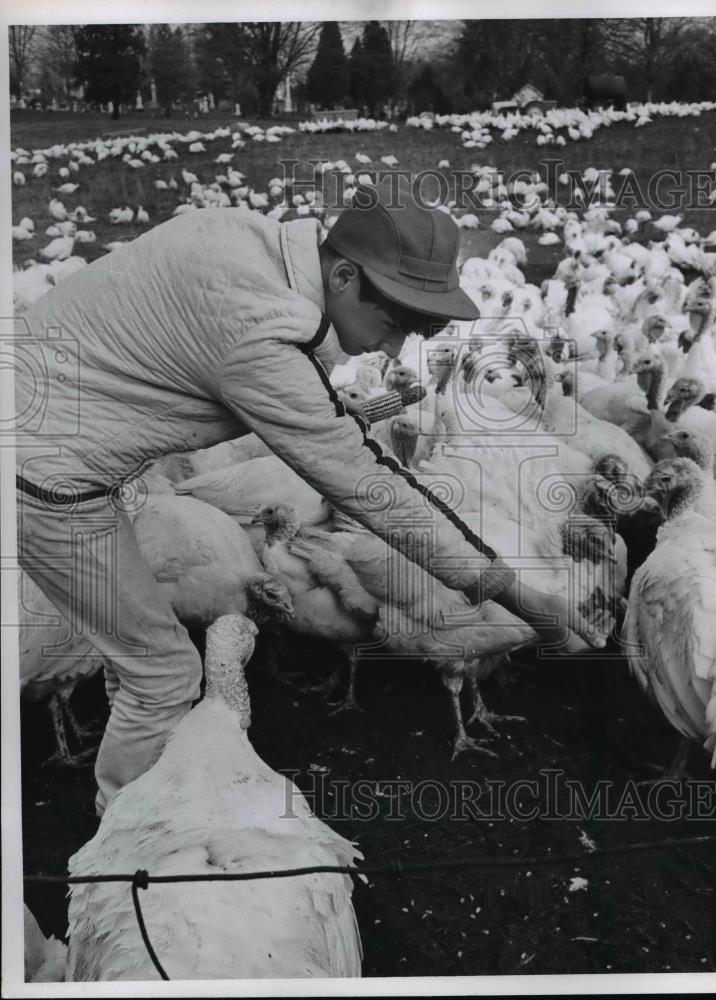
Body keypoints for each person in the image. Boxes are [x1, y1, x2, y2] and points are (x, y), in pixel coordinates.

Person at [14, 180, 603, 815]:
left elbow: (281, 392)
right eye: (395, 322)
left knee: (137, 655)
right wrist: (514, 593)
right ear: (345, 277)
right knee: (165, 675)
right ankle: (127, 854)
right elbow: (364, 482)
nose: (394, 347)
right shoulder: (259, 334)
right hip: (44, 481)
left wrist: (341, 405)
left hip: (36, 435)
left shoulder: (242, 237)